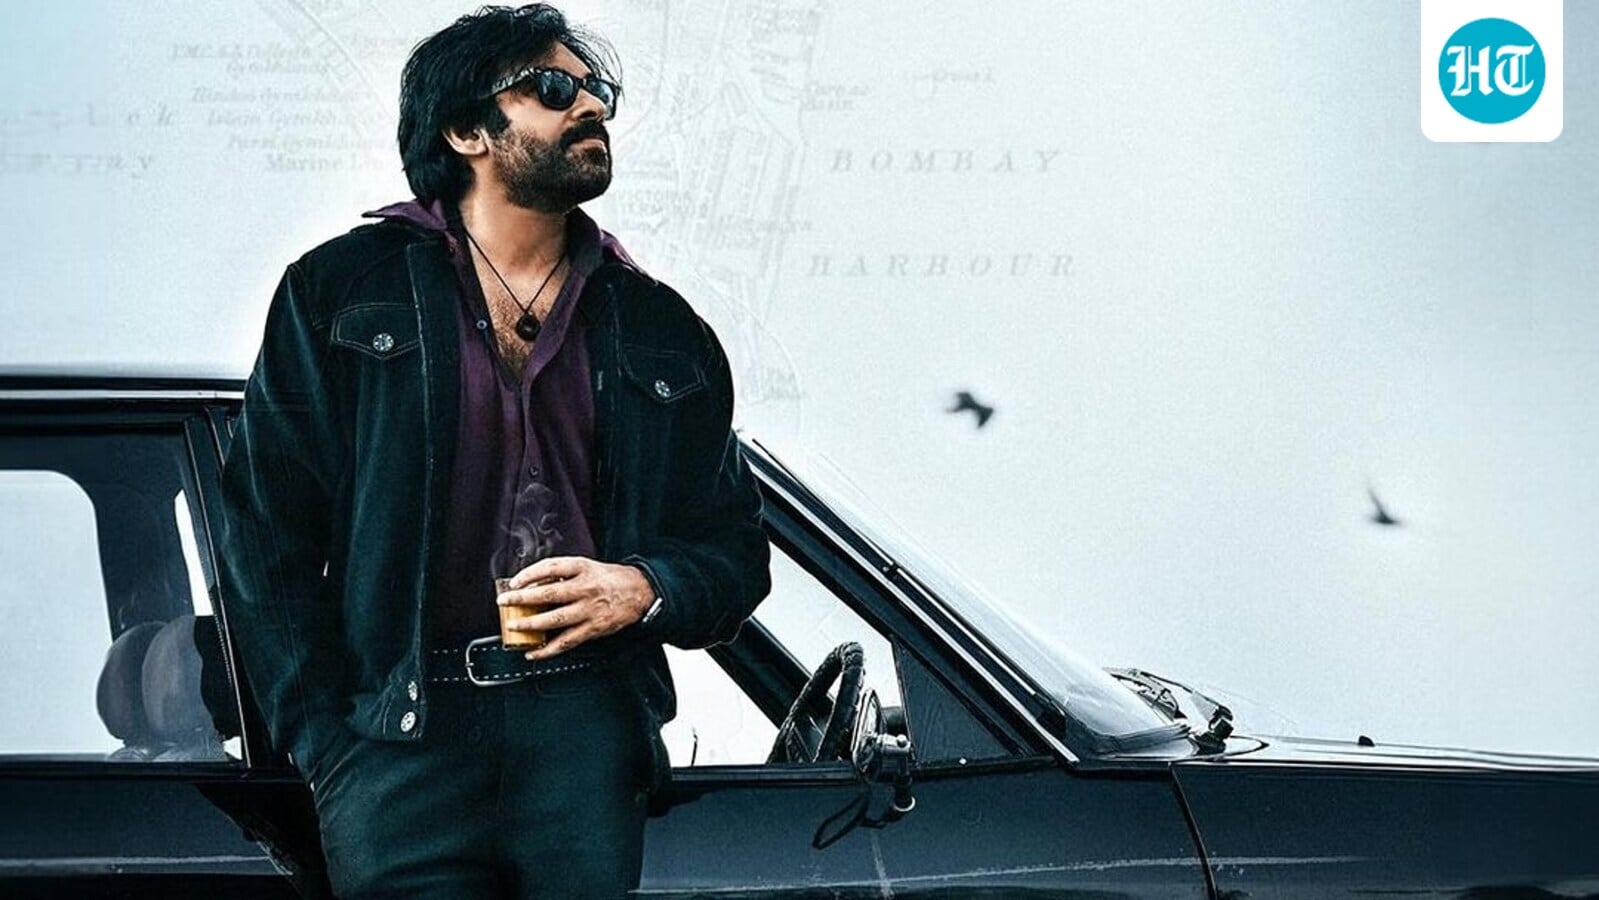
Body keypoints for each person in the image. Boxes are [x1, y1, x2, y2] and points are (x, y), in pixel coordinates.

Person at [216, 4, 772, 898]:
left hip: (587, 741)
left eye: (596, 90)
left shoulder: (660, 327)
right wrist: (324, 742)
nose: (588, 106)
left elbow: (734, 549)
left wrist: (643, 587)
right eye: (553, 88)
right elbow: (263, 531)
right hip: (401, 742)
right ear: (465, 130)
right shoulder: (341, 292)